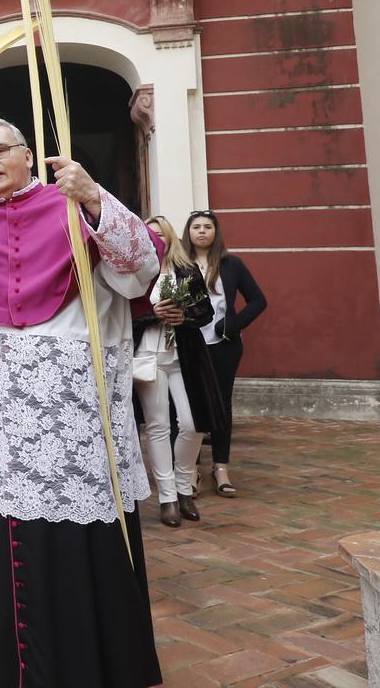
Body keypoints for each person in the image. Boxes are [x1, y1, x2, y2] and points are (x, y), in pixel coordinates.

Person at [0, 118, 161, 688]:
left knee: (68, 538)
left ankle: (79, 662)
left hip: (65, 415)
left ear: (29, 156)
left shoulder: (72, 201)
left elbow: (141, 269)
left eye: (1, 151)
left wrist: (93, 198)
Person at [133, 215, 224, 527]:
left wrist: (181, 316)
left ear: (170, 238)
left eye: (161, 234)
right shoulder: (137, 273)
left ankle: (185, 486)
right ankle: (168, 497)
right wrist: (152, 314)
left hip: (184, 356)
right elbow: (123, 317)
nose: (156, 239)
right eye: (150, 234)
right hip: (148, 356)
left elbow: (205, 313)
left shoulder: (187, 269)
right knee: (158, 426)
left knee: (191, 423)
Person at [184, 210, 267, 498]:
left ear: (216, 233)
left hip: (224, 345)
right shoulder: (180, 263)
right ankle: (191, 469)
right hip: (190, 345)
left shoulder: (232, 264)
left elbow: (258, 301)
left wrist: (232, 324)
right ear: (189, 232)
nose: (202, 231)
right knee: (192, 406)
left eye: (208, 226)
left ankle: (221, 468)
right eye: (197, 226)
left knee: (221, 406)